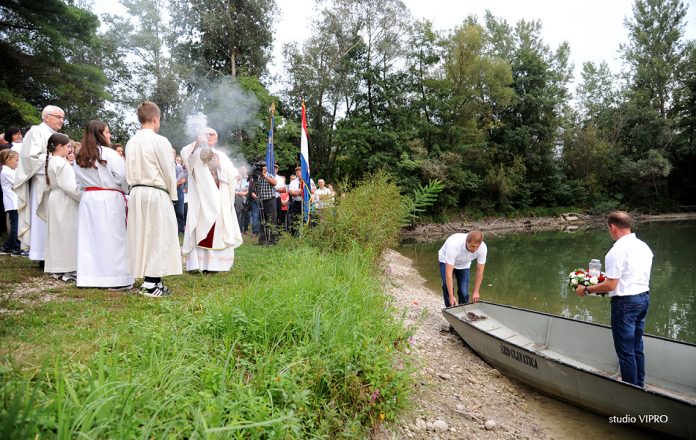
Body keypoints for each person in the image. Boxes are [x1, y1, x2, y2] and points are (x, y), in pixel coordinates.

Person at [575, 211, 653, 387]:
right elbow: (628, 276)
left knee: (626, 352)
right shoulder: (643, 246)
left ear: (612, 227)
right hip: (643, 299)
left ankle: (631, 392)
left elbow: (611, 286)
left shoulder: (616, 251)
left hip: (625, 304)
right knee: (636, 346)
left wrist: (585, 289)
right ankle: (639, 383)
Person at [125, 101, 182, 297]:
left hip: (136, 192)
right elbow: (168, 170)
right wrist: (172, 195)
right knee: (158, 235)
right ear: (156, 119)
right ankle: (150, 284)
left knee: (142, 235)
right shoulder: (160, 141)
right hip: (156, 191)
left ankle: (154, 279)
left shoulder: (131, 141)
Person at [74, 121, 133, 290]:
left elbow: (77, 181)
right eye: (107, 132)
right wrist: (123, 190)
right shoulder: (109, 154)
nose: (110, 136)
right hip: (109, 197)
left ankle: (90, 277)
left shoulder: (80, 156)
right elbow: (122, 177)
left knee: (91, 238)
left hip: (89, 198)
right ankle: (115, 279)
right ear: (100, 134)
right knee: (114, 238)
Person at [180, 127, 243, 272]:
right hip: (202, 201)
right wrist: (197, 143)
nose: (209, 136)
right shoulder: (194, 152)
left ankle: (218, 265)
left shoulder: (222, 155)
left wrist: (219, 166)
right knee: (202, 229)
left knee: (219, 231)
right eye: (206, 133)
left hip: (220, 199)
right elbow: (184, 155)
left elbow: (233, 174)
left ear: (217, 138)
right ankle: (200, 265)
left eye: (212, 134)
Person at [14, 105, 64, 266]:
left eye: (62, 118)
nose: (61, 120)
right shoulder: (37, 131)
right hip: (41, 183)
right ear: (46, 117)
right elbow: (31, 158)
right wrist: (56, 159)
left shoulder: (58, 135)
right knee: (42, 218)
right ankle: (42, 256)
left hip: (55, 183)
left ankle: (54, 254)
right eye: (58, 117)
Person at [41, 133, 81, 282]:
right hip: (65, 200)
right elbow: (70, 187)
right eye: (68, 146)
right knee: (67, 234)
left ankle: (57, 268)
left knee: (58, 234)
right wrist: (83, 197)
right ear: (59, 147)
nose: (70, 149)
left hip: (56, 198)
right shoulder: (61, 163)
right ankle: (68, 269)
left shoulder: (53, 161)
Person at [438, 231, 487, 307]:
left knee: (463, 292)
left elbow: (480, 271)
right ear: (466, 241)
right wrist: (451, 296)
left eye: (477, 247)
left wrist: (476, 291)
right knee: (447, 287)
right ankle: (450, 308)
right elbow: (448, 273)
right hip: (445, 260)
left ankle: (463, 313)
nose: (475, 249)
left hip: (464, 264)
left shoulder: (483, 248)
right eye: (473, 246)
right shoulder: (454, 245)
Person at [1, 149, 24, 256]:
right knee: (16, 226)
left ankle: (7, 246)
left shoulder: (11, 170)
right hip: (12, 203)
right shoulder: (6, 172)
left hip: (15, 202)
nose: (17, 162)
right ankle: (16, 247)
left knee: (16, 225)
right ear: (8, 160)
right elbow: (18, 182)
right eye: (16, 160)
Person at [254, 161, 277, 244]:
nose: (262, 167)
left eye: (263, 166)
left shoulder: (270, 175)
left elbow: (275, 183)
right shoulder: (258, 177)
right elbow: (255, 187)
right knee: (263, 220)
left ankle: (273, 240)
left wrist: (264, 176)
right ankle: (262, 240)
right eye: (261, 166)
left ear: (266, 167)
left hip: (270, 200)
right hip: (262, 200)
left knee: (272, 220)